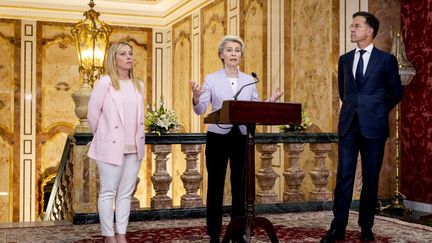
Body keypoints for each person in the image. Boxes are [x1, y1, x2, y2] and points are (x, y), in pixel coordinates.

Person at [190, 35, 282, 243]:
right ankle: (214, 233)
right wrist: (196, 97)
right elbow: (202, 109)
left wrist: (270, 102)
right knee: (215, 185)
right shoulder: (211, 79)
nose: (233, 54)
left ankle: (237, 232)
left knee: (241, 187)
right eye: (229, 50)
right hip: (218, 136)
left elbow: (255, 108)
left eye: (237, 50)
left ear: (241, 55)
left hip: (242, 137)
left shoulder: (250, 80)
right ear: (221, 55)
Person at [321, 11, 403, 243]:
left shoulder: (387, 60)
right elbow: (344, 92)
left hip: (374, 127)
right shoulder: (345, 59)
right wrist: (354, 109)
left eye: (356, 26)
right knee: (344, 177)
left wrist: (377, 110)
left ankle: (366, 228)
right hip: (349, 126)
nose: (352, 30)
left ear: (370, 31)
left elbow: (396, 92)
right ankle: (337, 228)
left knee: (371, 178)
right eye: (351, 26)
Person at [87, 41, 145, 243]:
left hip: (134, 147)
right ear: (114, 58)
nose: (129, 57)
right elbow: (92, 115)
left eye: (130, 53)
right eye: (123, 54)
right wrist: (105, 136)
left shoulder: (139, 85)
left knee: (126, 193)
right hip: (110, 146)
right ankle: (108, 235)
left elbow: (139, 117)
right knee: (108, 192)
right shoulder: (105, 83)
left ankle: (121, 233)